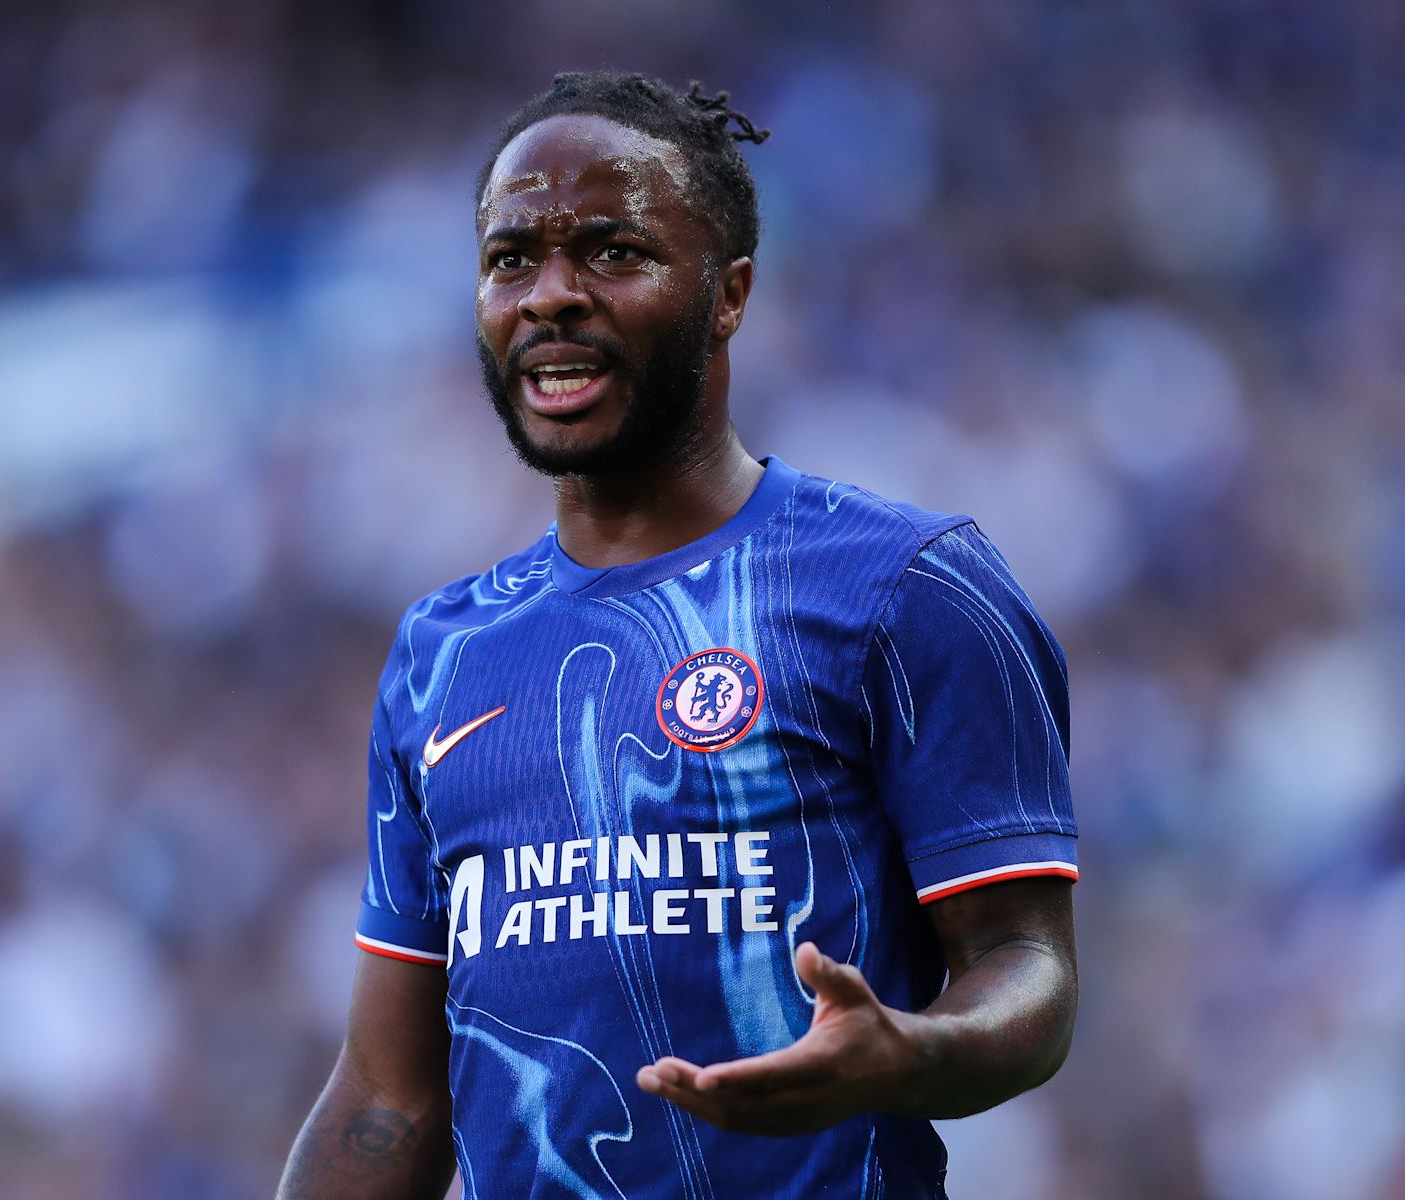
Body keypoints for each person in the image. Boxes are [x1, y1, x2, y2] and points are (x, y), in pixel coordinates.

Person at [277, 71, 1079, 1200]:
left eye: (613, 251)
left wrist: (909, 1051)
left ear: (729, 292)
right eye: (511, 259)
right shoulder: (441, 653)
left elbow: (1025, 964)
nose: (551, 295)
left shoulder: (905, 585)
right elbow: (388, 1099)